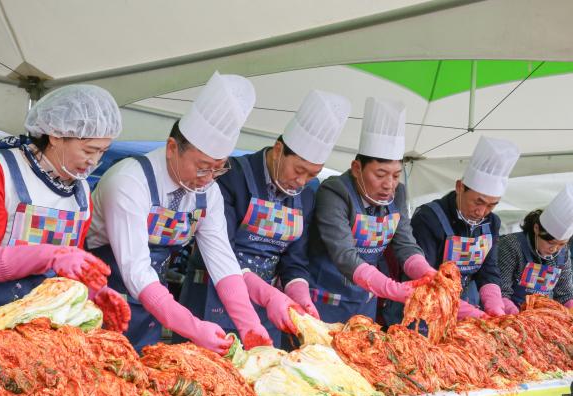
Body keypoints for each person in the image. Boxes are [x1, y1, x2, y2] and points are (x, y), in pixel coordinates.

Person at [87, 71, 271, 354]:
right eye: (202, 166)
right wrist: (193, 328)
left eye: (218, 168)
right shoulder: (129, 181)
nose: (209, 177)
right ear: (172, 148)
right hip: (103, 301)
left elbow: (222, 260)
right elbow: (135, 268)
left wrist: (249, 324)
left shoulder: (208, 192)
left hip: (155, 306)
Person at [179, 90, 351, 346]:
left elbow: (295, 259)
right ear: (279, 150)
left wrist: (297, 291)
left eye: (312, 175)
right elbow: (219, 248)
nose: (301, 182)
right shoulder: (232, 176)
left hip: (268, 311)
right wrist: (268, 294)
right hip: (212, 297)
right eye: (299, 170)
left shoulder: (305, 197)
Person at [0, 84, 130, 332]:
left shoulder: (82, 192)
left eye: (103, 151)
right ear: (55, 135)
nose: (94, 161)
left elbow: (72, 265)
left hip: (46, 329)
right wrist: (49, 256)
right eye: (89, 150)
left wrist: (93, 290)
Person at [307, 98, 435, 324]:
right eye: (380, 174)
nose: (389, 184)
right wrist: (392, 288)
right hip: (325, 303)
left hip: (365, 302)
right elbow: (344, 254)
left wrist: (427, 275)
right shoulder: (336, 192)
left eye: (396, 175)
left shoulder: (399, 194)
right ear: (357, 168)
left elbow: (405, 243)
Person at [410, 136, 520, 318]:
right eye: (478, 202)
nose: (482, 212)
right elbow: (422, 278)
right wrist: (468, 313)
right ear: (460, 187)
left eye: (492, 205)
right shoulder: (428, 218)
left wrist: (494, 305)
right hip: (425, 309)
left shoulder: (492, 222)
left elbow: (489, 269)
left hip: (467, 306)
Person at [498, 183, 573, 309]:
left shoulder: (563, 253)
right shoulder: (512, 245)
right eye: (550, 242)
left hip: (543, 316)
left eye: (561, 244)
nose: (554, 249)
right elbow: (502, 291)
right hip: (510, 313)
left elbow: (565, 294)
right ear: (537, 228)